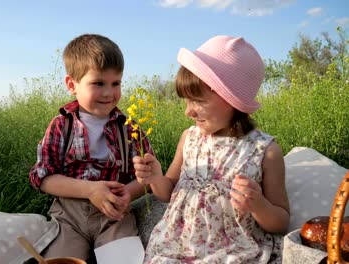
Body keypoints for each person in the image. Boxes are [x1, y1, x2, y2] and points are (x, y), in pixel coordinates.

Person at [133, 35, 290, 263]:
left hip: (234, 250)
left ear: (232, 99)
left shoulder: (265, 151)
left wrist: (259, 205)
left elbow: (281, 220)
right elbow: (167, 193)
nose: (188, 111)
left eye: (197, 101)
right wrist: (156, 178)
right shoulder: (189, 138)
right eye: (186, 101)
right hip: (177, 246)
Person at [29, 33, 154, 262]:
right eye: (98, 83)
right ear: (71, 85)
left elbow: (148, 178)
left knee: (124, 260)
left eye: (115, 83)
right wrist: (90, 190)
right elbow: (43, 178)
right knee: (62, 260)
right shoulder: (62, 125)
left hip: (115, 214)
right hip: (69, 216)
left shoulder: (129, 128)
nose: (108, 93)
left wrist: (129, 192)